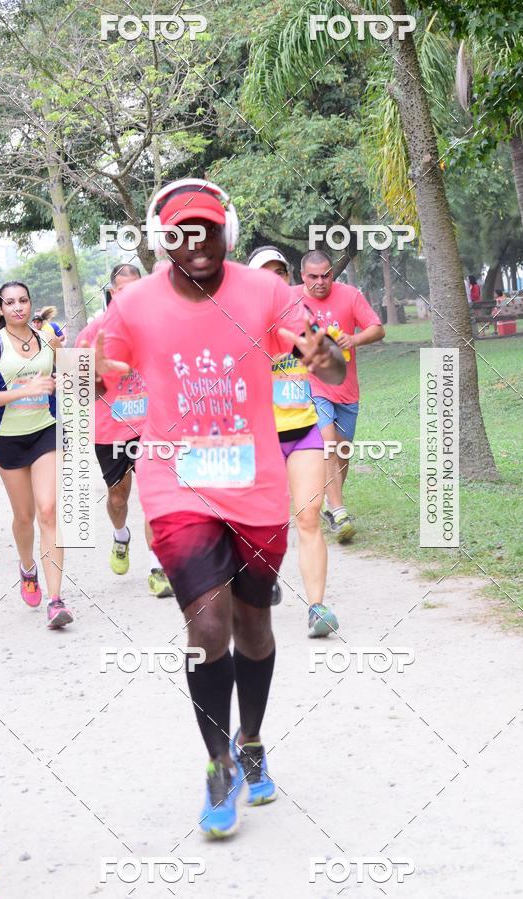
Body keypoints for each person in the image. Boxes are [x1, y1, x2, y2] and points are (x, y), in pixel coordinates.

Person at [95, 179, 345, 838]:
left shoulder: (264, 291)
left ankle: (252, 739)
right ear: (163, 241)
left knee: (253, 627)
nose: (196, 241)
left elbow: (328, 354)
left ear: (225, 234)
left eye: (207, 229)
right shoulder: (133, 305)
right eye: (181, 231)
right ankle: (218, 764)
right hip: (176, 484)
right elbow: (98, 373)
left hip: (256, 484)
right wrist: (87, 379)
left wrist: (326, 352)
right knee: (207, 623)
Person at [248, 246, 339, 638]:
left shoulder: (303, 322)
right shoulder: (236, 325)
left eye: (279, 274)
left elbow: (335, 372)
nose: (274, 282)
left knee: (308, 516)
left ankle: (317, 607)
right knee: (261, 524)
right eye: (264, 275)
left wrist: (323, 353)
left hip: (303, 430)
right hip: (258, 437)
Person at [0, 281, 73, 629]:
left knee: (48, 511)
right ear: (1, 308)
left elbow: (61, 376)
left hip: (45, 431)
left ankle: (55, 599)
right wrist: (24, 391)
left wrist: (59, 382)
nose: (18, 307)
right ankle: (27, 567)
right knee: (24, 516)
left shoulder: (47, 339)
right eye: (10, 302)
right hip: (7, 439)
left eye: (23, 300)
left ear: (31, 304)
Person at [75, 264, 174, 597]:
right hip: (110, 429)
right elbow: (78, 388)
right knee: (119, 497)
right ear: (113, 293)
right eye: (124, 289)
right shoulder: (91, 333)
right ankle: (120, 536)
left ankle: (157, 568)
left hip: (152, 426)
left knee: (155, 497)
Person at [296, 250, 385, 542]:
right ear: (303, 277)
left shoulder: (350, 295)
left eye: (326, 275)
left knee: (343, 452)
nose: (321, 282)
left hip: (347, 389)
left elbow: (377, 328)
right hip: (312, 385)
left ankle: (332, 507)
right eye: (314, 277)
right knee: (328, 442)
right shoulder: (291, 299)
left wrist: (355, 338)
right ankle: (339, 508)